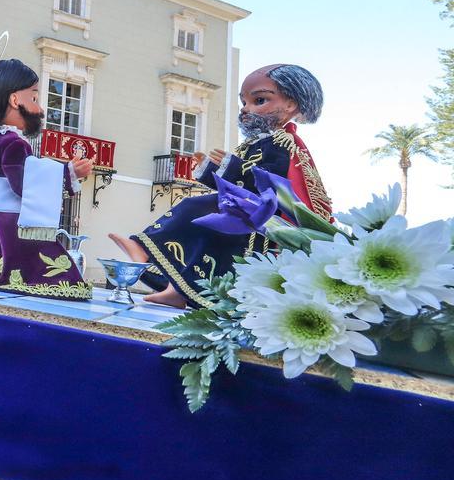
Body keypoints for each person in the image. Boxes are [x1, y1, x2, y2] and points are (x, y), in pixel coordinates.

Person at [109, 63, 332, 308]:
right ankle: (176, 288)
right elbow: (239, 180)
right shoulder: (258, 143)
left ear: (290, 105)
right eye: (243, 102)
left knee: (194, 209)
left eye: (259, 101)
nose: (246, 109)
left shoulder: (281, 143)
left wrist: (229, 166)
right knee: (200, 235)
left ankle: (146, 252)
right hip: (243, 212)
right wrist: (211, 169)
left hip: (258, 222)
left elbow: (270, 183)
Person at [0, 58, 94, 298]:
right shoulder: (14, 143)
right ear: (14, 100)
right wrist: (69, 172)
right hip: (9, 218)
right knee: (55, 274)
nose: (40, 110)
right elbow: (24, 183)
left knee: (1, 258)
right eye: (34, 98)